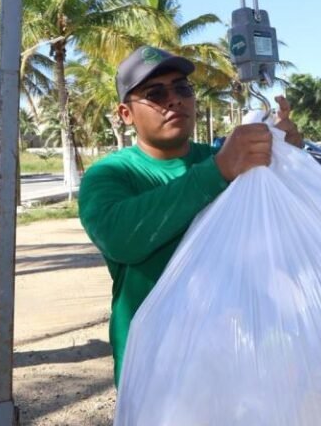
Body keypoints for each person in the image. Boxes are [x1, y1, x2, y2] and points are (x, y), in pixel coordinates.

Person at [78, 45, 302, 385]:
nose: (174, 100)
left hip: (238, 354)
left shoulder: (231, 159)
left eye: (182, 88)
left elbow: (283, 221)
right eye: (155, 93)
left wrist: (289, 156)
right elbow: (121, 238)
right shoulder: (109, 175)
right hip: (156, 367)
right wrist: (217, 171)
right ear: (126, 114)